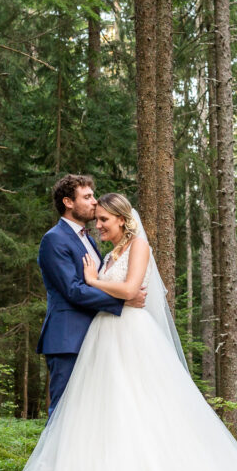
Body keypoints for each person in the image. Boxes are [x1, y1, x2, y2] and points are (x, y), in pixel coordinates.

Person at [12, 193, 237, 471]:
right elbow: (110, 293)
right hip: (103, 335)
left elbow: (131, 290)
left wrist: (93, 280)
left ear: (122, 219)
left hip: (130, 333)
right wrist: (100, 284)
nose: (98, 224)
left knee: (141, 404)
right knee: (103, 407)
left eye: (104, 219)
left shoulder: (138, 247)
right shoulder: (109, 251)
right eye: (96, 217)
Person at [36, 175, 147, 416]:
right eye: (87, 197)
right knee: (64, 413)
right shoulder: (54, 239)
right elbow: (73, 290)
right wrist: (123, 300)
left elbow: (98, 283)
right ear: (68, 202)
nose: (94, 202)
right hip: (68, 339)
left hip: (97, 337)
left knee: (89, 416)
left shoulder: (88, 239)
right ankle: (54, 456)